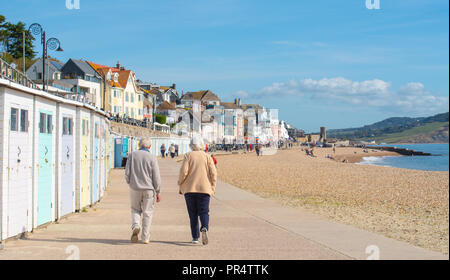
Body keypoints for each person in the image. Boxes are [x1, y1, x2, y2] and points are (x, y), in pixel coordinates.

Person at [178, 135, 217, 245]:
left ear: (191, 145)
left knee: (193, 214)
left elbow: (183, 172)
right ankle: (204, 227)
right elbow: (213, 173)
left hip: (190, 189)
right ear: (201, 145)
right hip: (204, 189)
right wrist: (213, 187)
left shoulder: (188, 156)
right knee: (204, 211)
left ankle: (195, 237)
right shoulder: (207, 156)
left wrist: (180, 183)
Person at [125, 138, 162, 244]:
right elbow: (156, 177)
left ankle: (136, 225)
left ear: (139, 145)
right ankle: (145, 237)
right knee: (147, 213)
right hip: (148, 189)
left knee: (135, 209)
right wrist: (158, 191)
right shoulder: (152, 157)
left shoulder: (132, 155)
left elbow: (127, 172)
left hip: (135, 188)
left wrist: (130, 182)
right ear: (149, 146)